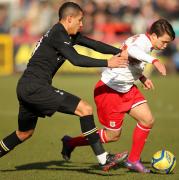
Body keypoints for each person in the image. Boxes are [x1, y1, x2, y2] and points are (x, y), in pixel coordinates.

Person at [0, 2, 128, 171]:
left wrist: (119, 52)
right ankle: (104, 159)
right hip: (35, 87)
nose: (82, 24)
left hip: (26, 87)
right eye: (80, 20)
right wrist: (108, 62)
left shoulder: (67, 33)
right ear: (69, 19)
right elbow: (76, 60)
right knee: (85, 109)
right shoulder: (58, 34)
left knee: (24, 133)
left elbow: (93, 44)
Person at [61, 19, 175, 173]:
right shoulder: (142, 42)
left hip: (127, 89)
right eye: (164, 41)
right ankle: (70, 142)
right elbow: (133, 52)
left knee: (147, 120)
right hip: (109, 91)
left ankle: (133, 160)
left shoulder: (144, 42)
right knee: (112, 136)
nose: (165, 45)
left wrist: (142, 77)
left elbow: (130, 60)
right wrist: (155, 61)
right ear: (154, 35)